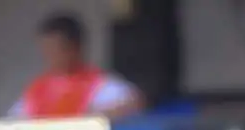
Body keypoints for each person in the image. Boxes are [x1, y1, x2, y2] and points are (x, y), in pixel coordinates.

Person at [11, 14, 145, 120]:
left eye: (56, 49)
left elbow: (136, 103)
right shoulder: (38, 88)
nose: (50, 56)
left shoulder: (100, 85)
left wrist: (100, 116)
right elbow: (12, 122)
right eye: (46, 50)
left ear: (75, 48)